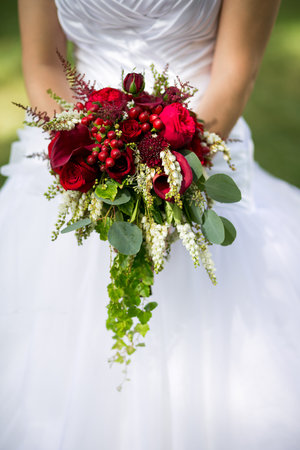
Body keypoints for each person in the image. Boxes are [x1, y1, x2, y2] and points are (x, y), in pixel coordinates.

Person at [1, 0, 300, 449]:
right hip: (83, 147)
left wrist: (162, 171)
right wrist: (84, 153)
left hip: (198, 144)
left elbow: (237, 72)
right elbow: (43, 62)